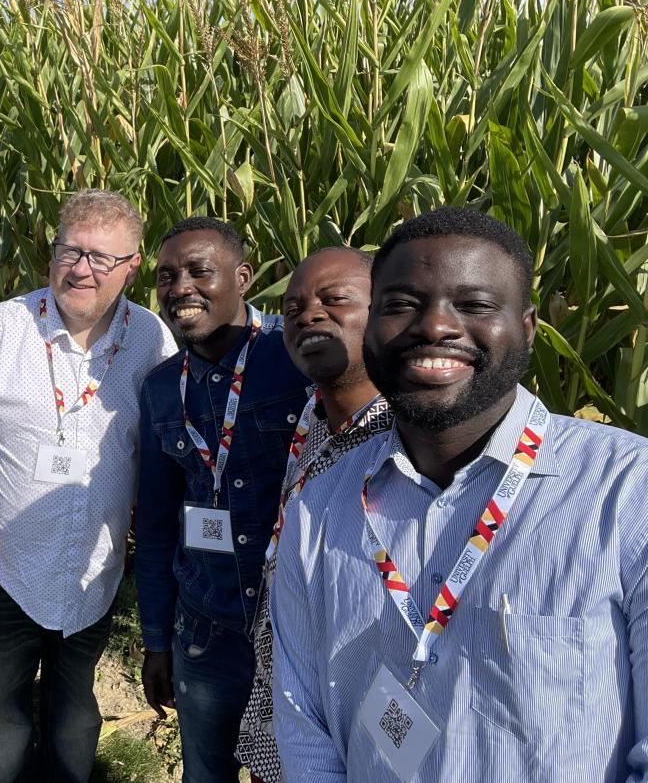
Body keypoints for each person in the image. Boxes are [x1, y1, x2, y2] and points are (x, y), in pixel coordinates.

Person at [271, 206, 648, 782]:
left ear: (526, 330)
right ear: (371, 326)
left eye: (473, 305)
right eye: (401, 305)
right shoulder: (320, 507)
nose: (435, 327)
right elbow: (303, 718)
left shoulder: (626, 491)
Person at [0, 190, 175, 783]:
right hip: (7, 566)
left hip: (95, 570)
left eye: (102, 259)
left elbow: (159, 452)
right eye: (72, 250)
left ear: (133, 266)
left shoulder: (151, 340)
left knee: (73, 707)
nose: (82, 269)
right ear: (53, 250)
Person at [135, 217, 309, 782]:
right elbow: (158, 525)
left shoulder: (296, 358)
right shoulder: (163, 386)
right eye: (166, 276)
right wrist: (157, 642)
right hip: (206, 629)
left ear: (243, 277)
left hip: (294, 633)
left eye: (199, 271)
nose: (179, 286)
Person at [234, 247, 393, 779]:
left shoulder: (410, 438)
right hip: (286, 680)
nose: (310, 314)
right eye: (294, 305)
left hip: (365, 700)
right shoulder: (313, 413)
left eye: (335, 299)